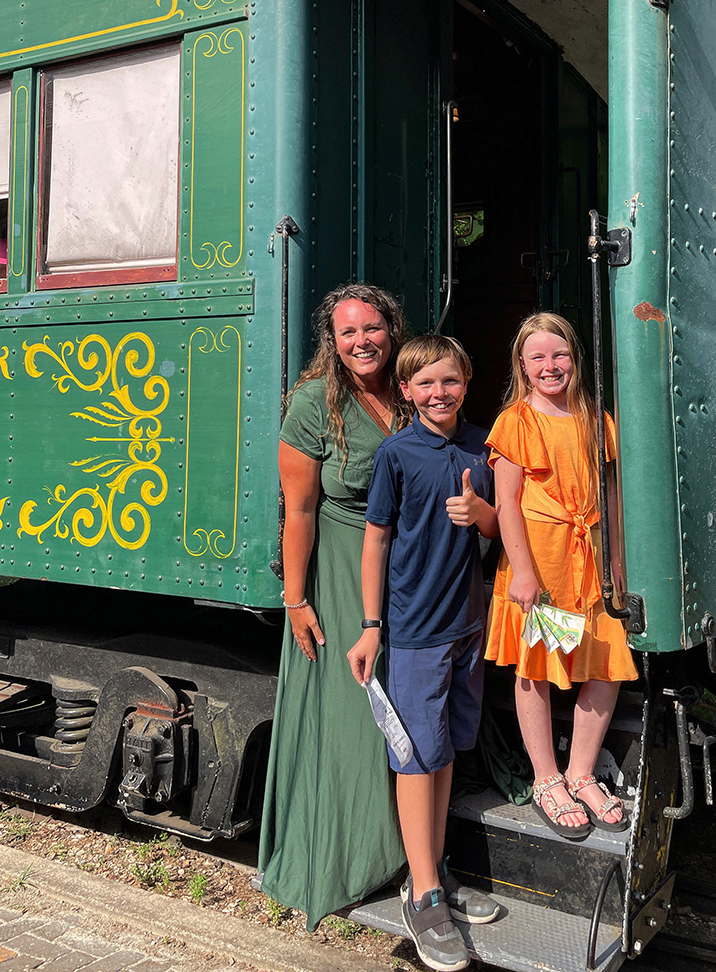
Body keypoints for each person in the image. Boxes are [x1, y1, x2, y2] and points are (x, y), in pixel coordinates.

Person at [258, 283, 408, 931]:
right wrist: (296, 600)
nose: (362, 341)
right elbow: (298, 511)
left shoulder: (408, 391)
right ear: (333, 341)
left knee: (404, 708)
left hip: (408, 570)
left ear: (390, 329)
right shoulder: (316, 404)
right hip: (341, 568)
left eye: (371, 328)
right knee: (352, 714)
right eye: (348, 333)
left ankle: (401, 852)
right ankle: (344, 860)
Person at [347, 335, 500, 972]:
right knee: (415, 760)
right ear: (406, 392)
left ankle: (428, 870)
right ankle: (426, 896)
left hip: (467, 626)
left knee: (441, 758)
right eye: (426, 384)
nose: (440, 393)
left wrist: (481, 512)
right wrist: (371, 625)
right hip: (414, 631)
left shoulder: (482, 445)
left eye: (451, 381)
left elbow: (500, 530)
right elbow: (376, 539)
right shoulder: (396, 452)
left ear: (467, 381)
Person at [485, 313, 638, 841]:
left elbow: (611, 496)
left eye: (560, 355)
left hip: (590, 561)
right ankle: (547, 779)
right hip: (542, 566)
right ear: (522, 366)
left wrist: (617, 561)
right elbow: (505, 504)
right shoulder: (517, 421)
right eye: (538, 358)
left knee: (603, 664)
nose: (550, 367)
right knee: (538, 669)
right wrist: (523, 572)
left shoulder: (597, 419)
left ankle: (582, 772)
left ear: (574, 358)